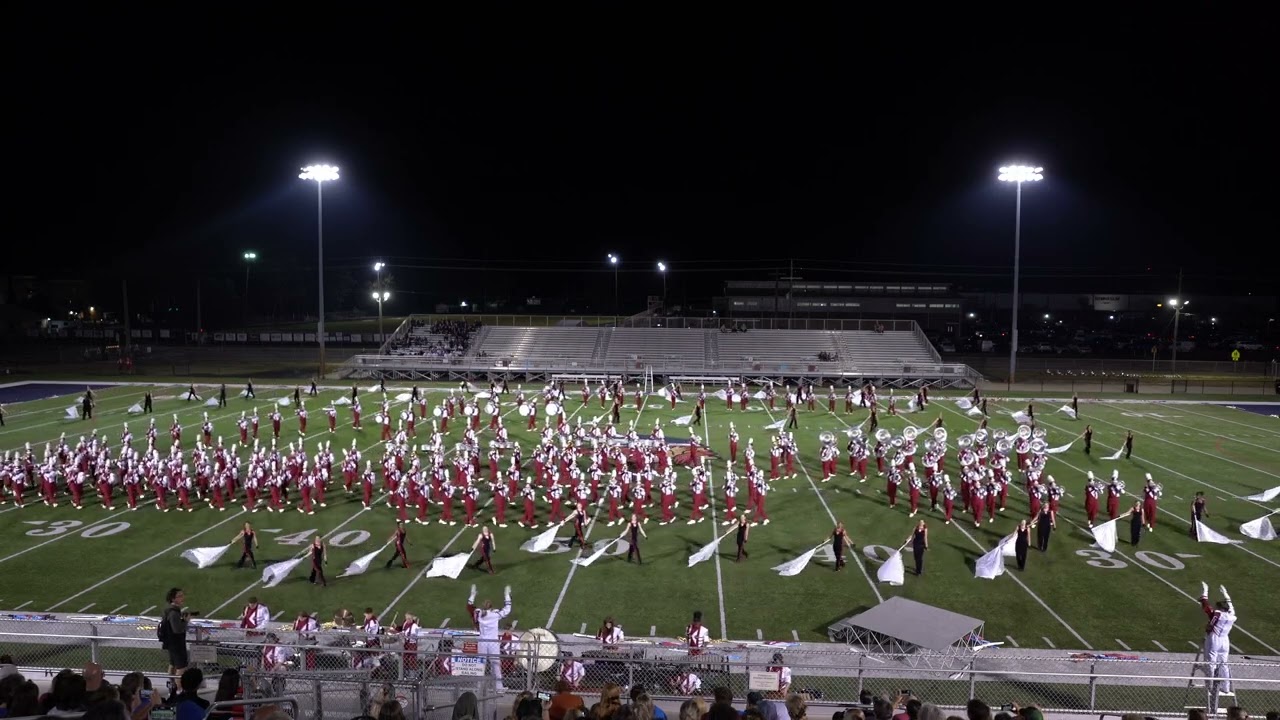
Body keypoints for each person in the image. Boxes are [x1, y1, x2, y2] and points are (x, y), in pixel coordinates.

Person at [467, 584, 513, 692]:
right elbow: (507, 609)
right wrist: (507, 595)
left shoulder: (478, 613)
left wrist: (472, 595)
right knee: (496, 664)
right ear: (491, 606)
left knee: (481, 664)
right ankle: (498, 687)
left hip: (482, 641)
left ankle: (478, 687)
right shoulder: (495, 614)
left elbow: (469, 606)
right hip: (492, 642)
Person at [1200, 583, 1237, 715]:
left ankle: (1210, 685)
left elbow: (1206, 607)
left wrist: (1205, 592)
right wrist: (1226, 594)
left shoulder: (1218, 615)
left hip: (1214, 639)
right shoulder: (1231, 615)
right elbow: (1231, 605)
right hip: (1225, 640)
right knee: (1224, 664)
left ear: (1220, 608)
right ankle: (1225, 687)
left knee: (1211, 662)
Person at [161, 588, 191, 676]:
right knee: (181, 667)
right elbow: (177, 629)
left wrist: (182, 619)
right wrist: (186, 621)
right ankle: (178, 688)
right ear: (173, 599)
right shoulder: (173, 612)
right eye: (180, 596)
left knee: (173, 664)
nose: (183, 598)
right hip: (176, 643)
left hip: (171, 642)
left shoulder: (170, 610)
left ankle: (172, 685)